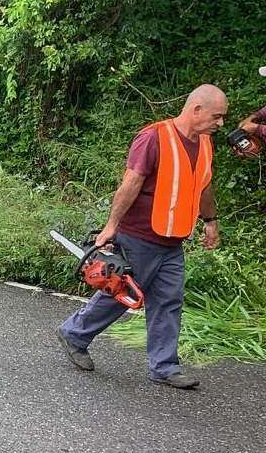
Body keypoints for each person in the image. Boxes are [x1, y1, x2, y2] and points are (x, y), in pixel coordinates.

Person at [56, 84, 226, 390]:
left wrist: (211, 221)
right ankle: (74, 333)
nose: (221, 123)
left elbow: (204, 186)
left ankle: (164, 366)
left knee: (169, 301)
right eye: (217, 116)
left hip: (173, 241)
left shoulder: (204, 144)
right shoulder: (154, 138)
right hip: (139, 237)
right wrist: (110, 227)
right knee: (122, 295)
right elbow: (130, 184)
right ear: (196, 109)